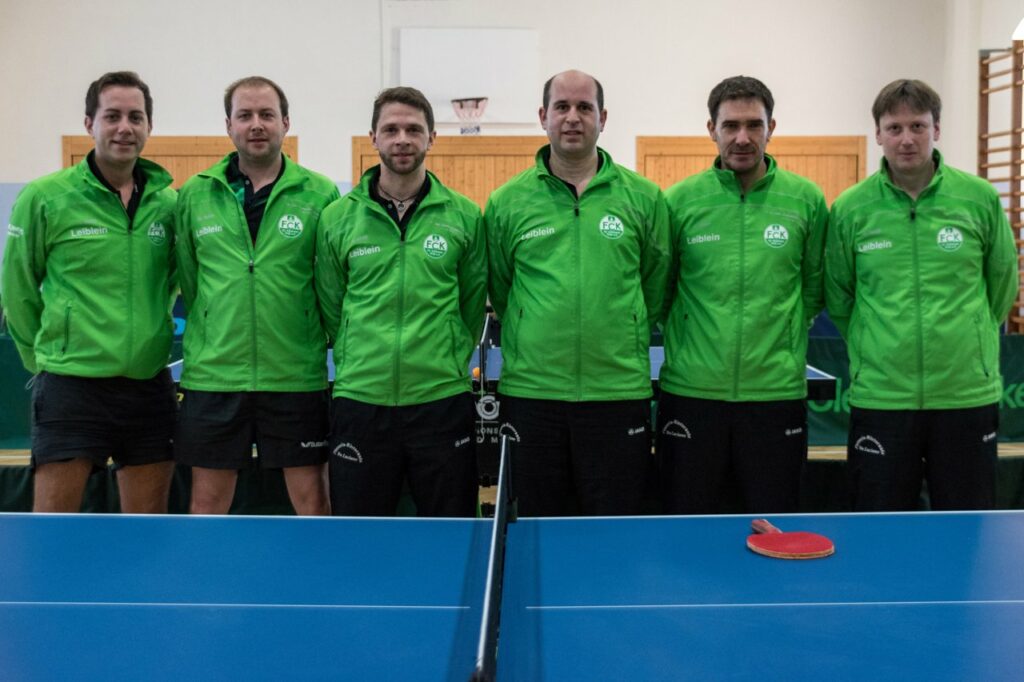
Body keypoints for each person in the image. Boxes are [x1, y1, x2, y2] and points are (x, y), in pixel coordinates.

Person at [825, 79, 1017, 510]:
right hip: (881, 396)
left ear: (937, 129)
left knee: (966, 528)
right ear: (878, 135)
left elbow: (1003, 283)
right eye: (894, 128)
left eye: (918, 126)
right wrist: (873, 341)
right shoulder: (851, 208)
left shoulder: (979, 198)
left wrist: (969, 337)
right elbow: (838, 295)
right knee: (880, 528)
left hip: (965, 394)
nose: (906, 139)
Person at [485, 70, 670, 516]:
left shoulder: (644, 198)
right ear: (543, 117)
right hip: (533, 395)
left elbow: (655, 286)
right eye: (562, 107)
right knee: (537, 527)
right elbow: (502, 288)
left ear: (602, 118)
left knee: (614, 530)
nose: (573, 118)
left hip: (617, 394)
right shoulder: (507, 202)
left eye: (584, 108)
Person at [1, 71, 177, 513]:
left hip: (147, 388)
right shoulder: (45, 197)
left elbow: (175, 280)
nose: (124, 127)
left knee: (146, 536)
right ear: (89, 123)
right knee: (55, 532)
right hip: (70, 389)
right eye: (112, 116)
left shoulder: (170, 205)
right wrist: (44, 360)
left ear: (148, 127)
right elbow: (18, 289)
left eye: (135, 117)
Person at [657, 76, 828, 514]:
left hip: (775, 398)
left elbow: (812, 289)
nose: (742, 137)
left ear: (773, 128)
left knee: (772, 526)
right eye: (730, 125)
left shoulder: (806, 200)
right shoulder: (678, 202)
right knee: (687, 532)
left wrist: (777, 337)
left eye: (755, 124)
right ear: (710, 129)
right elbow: (660, 291)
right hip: (692, 396)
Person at [315, 87, 486, 517]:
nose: (402, 139)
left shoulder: (464, 216)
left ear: (432, 138)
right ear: (373, 137)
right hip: (361, 400)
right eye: (390, 129)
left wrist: (443, 355)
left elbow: (471, 301)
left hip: (441, 400)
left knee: (449, 534)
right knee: (361, 538)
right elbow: (332, 303)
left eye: (413, 129)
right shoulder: (337, 218)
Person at [174, 76, 338, 515]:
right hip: (215, 375)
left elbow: (328, 283)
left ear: (286, 122)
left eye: (267, 114)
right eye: (245, 115)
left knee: (314, 499)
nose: (256, 124)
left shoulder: (321, 193)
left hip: (294, 373)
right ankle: (206, 585)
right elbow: (191, 280)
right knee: (207, 501)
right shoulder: (194, 194)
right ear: (228, 125)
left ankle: (321, 582)